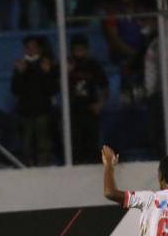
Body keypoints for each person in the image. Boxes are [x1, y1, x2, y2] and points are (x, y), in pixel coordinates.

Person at [11, 35, 56, 165]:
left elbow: (52, 89)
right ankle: (28, 167)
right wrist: (20, 73)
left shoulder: (46, 64)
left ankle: (44, 165)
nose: (30, 50)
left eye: (33, 47)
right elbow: (15, 90)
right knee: (26, 144)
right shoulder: (21, 65)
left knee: (43, 143)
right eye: (28, 47)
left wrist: (47, 73)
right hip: (26, 111)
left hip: (43, 110)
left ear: (39, 49)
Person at [66, 35, 108, 163]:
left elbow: (104, 86)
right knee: (75, 143)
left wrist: (100, 104)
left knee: (92, 142)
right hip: (73, 110)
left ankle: (92, 167)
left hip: (90, 108)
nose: (79, 52)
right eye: (76, 49)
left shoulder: (93, 65)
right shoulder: (67, 65)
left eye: (81, 49)